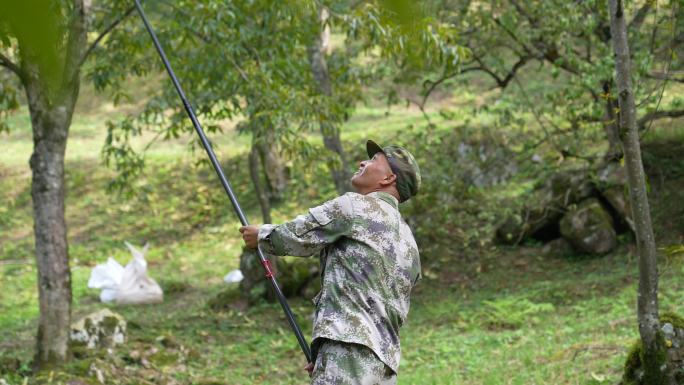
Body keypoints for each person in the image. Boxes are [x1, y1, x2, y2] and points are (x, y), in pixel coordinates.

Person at [239, 140, 421, 385]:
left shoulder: (355, 207)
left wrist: (260, 235)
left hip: (347, 351)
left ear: (389, 178)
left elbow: (298, 236)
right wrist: (328, 355)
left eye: (374, 160)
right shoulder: (409, 241)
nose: (362, 162)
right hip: (383, 365)